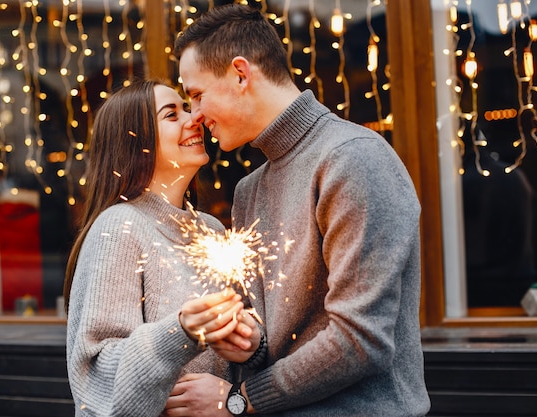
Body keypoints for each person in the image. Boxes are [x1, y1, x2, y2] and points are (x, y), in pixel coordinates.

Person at [170, 4, 431, 416]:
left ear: (241, 74)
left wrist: (240, 400)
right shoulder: (248, 190)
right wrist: (247, 342)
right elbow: (274, 339)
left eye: (197, 95)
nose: (196, 116)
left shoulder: (352, 160)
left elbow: (360, 340)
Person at [64, 79, 261, 417]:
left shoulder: (211, 230)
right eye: (172, 114)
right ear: (136, 141)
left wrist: (249, 342)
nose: (194, 118)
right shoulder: (118, 227)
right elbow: (97, 376)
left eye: (188, 107)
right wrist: (181, 331)